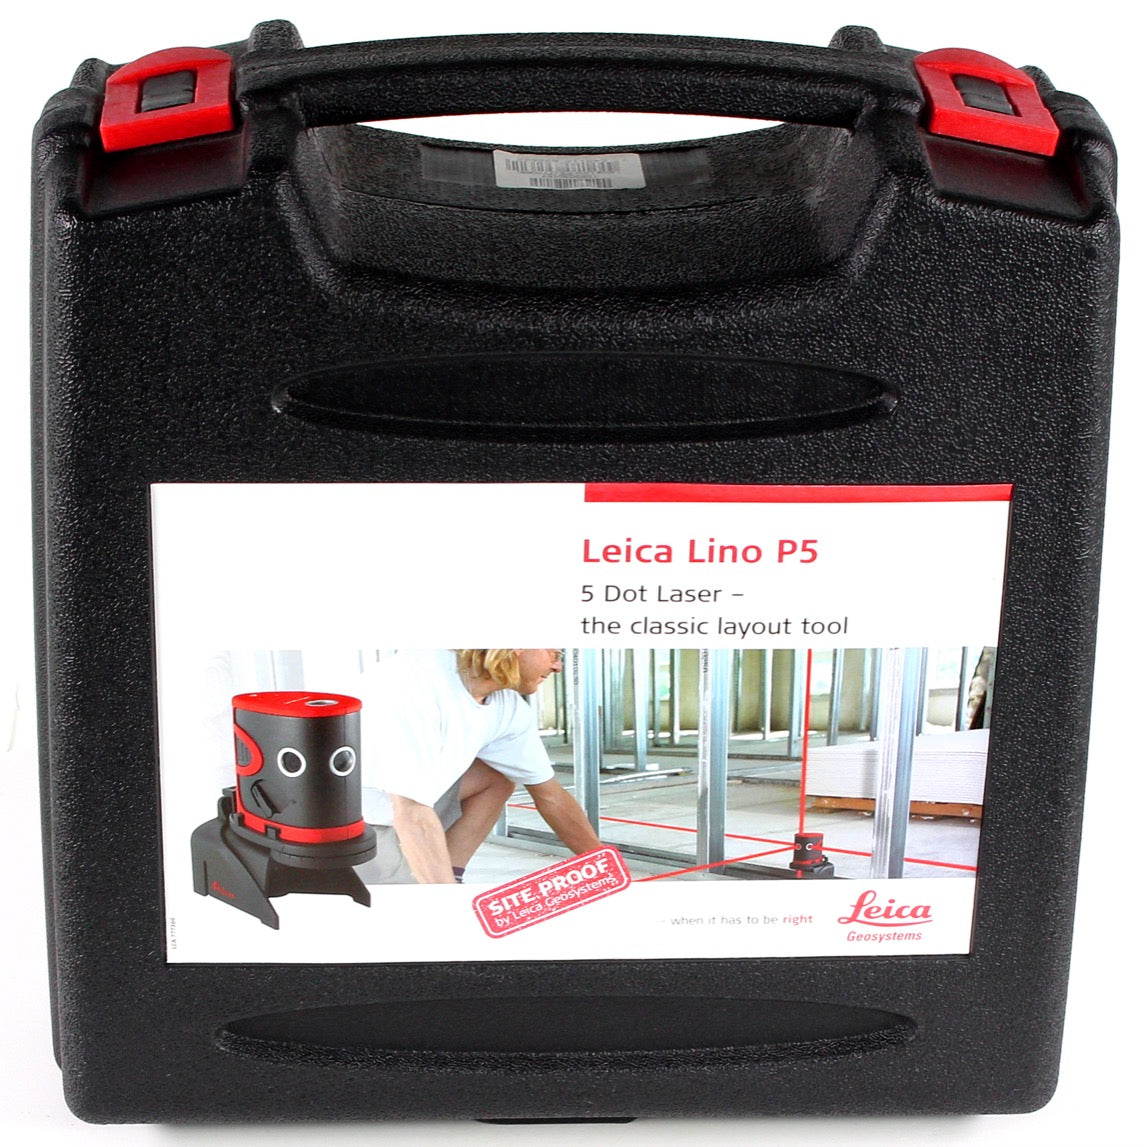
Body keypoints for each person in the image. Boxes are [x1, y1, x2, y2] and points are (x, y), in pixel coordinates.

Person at [358, 649, 602, 884]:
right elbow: (411, 811)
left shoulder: (506, 705)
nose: (558, 666)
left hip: (397, 810)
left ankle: (450, 874)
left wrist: (603, 867)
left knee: (497, 777)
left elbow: (549, 795)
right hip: (354, 826)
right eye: (554, 654)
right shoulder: (417, 682)